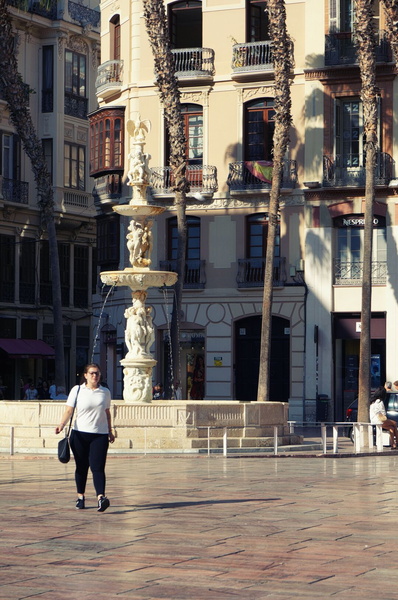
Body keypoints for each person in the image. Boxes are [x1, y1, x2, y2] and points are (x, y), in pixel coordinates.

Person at [55, 364, 115, 512]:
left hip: (99, 435)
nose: (95, 376)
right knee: (81, 467)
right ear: (86, 375)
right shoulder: (77, 390)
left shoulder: (105, 392)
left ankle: (101, 498)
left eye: (98, 374)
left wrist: (110, 430)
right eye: (92, 373)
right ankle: (80, 497)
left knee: (98, 467)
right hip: (79, 434)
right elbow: (69, 410)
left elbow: (107, 413)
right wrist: (61, 425)